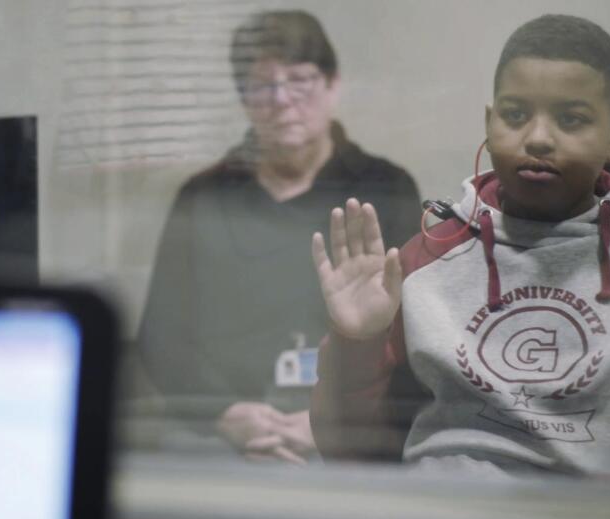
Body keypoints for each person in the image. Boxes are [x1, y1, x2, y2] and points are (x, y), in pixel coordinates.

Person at [310, 14, 610, 477]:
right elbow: (350, 455)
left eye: (571, 119)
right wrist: (357, 342)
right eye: (516, 115)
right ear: (489, 120)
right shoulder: (426, 259)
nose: (538, 138)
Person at [137, 10, 421, 463]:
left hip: (349, 424)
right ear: (244, 99)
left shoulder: (384, 187)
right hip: (224, 429)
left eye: (300, 81)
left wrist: (332, 420)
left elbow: (412, 327)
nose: (282, 100)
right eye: (263, 86)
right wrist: (228, 415)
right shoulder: (203, 196)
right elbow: (162, 335)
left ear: (333, 86)